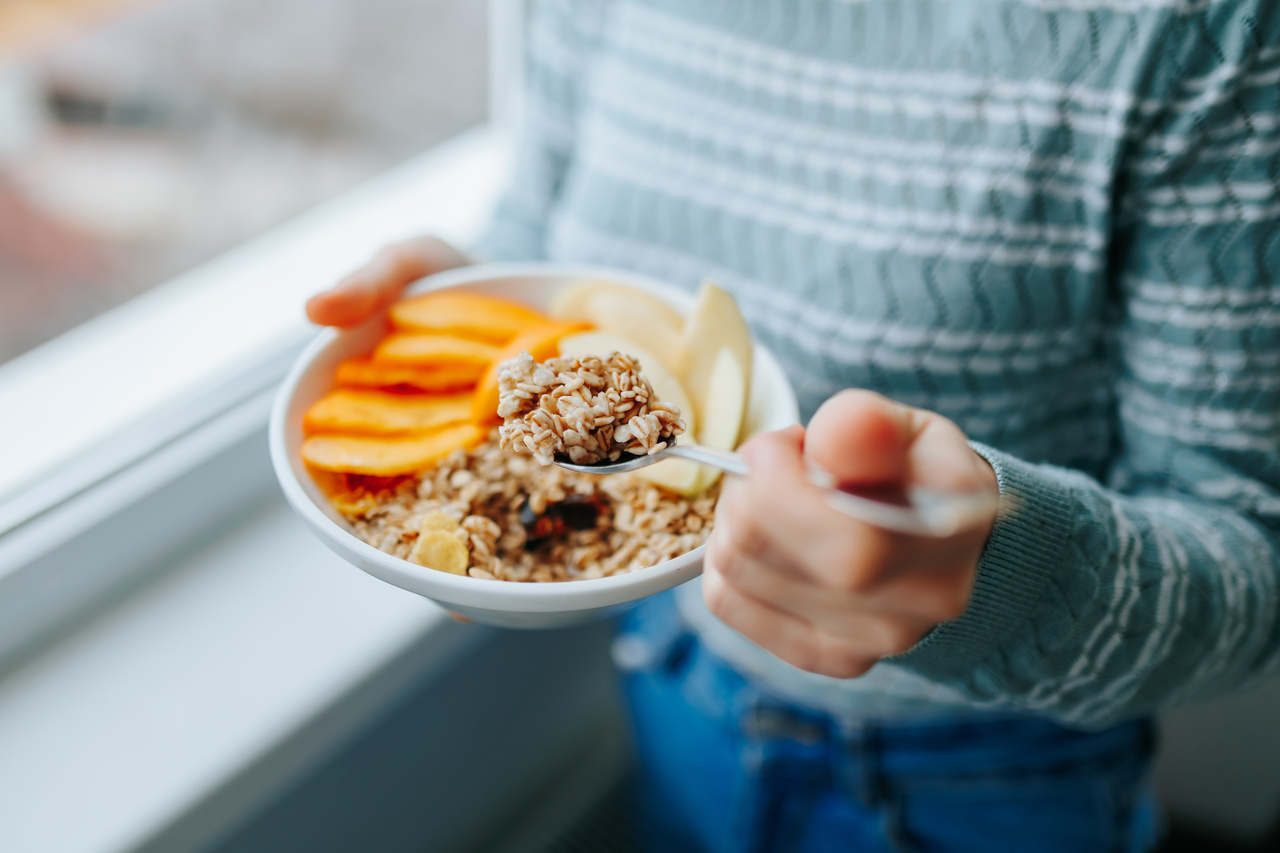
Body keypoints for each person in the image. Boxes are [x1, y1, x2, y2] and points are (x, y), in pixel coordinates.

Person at [307, 1, 1280, 850]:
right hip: (667, 671)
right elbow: (543, 239)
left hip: (975, 779)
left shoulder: (1200, 30)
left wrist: (990, 573)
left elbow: (1248, 556)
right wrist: (459, 313)